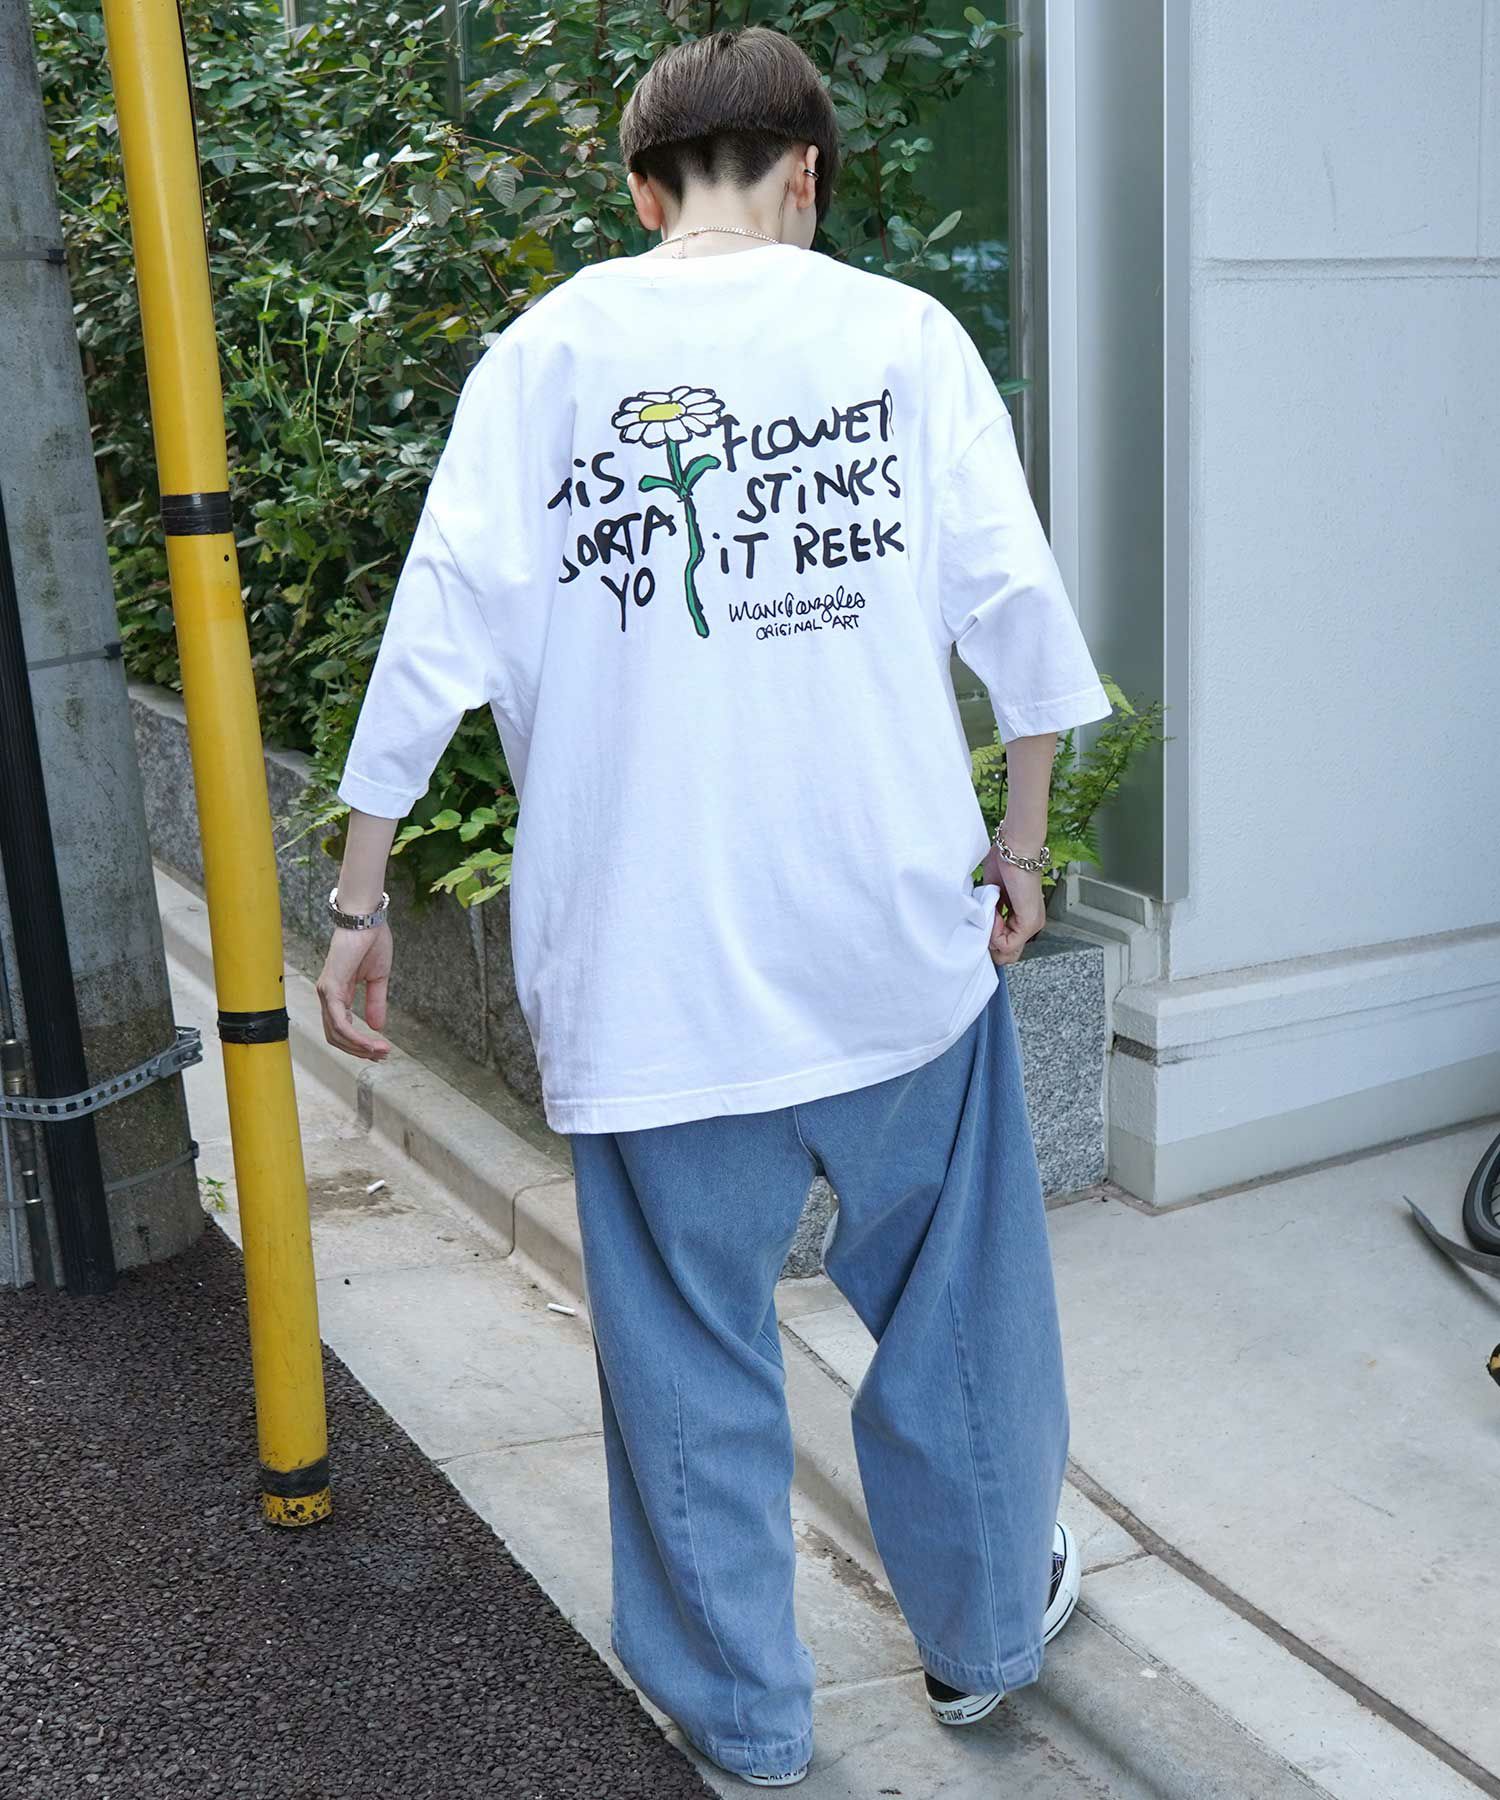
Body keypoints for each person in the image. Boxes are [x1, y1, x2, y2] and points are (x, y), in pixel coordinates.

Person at [317, 24, 1111, 1788]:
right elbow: (1022, 623)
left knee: (688, 1361)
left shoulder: (546, 355)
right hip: (889, 950)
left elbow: (433, 631)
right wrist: (1019, 849)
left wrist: (361, 897)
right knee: (962, 1320)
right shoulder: (901, 338)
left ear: (641, 190)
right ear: (808, 174)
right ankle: (985, 1638)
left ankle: (749, 1723)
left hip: (648, 970)